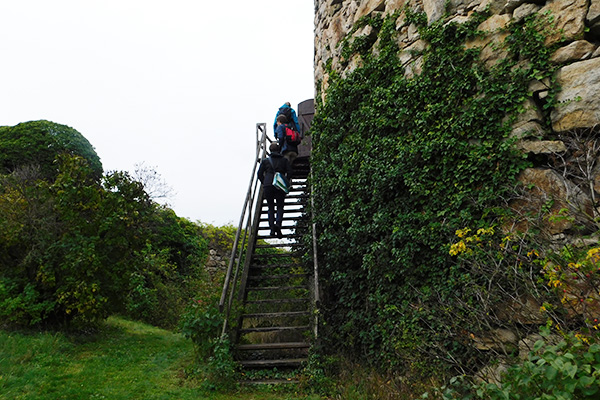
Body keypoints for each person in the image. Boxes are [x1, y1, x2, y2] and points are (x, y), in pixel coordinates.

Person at [257, 142, 291, 238]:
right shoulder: (284, 160)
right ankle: (278, 224)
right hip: (279, 185)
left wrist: (265, 182)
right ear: (279, 150)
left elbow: (259, 174)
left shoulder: (265, 161)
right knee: (280, 206)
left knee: (270, 207)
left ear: (270, 150)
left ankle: (272, 229)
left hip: (268, 185)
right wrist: (285, 182)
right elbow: (290, 172)